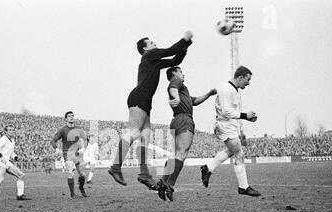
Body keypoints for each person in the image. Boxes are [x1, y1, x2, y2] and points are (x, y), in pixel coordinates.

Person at [108, 31, 193, 190]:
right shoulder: (150, 55)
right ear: (146, 48)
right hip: (139, 97)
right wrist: (185, 39)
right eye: (151, 42)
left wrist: (185, 47)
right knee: (133, 132)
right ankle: (115, 167)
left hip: (145, 100)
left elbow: (176, 59)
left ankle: (144, 173)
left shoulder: (153, 61)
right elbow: (172, 50)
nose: (154, 43)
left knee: (145, 136)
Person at [157, 66, 217, 201]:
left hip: (177, 120)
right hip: (184, 119)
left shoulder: (183, 90)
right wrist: (176, 97)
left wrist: (208, 94)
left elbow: (194, 101)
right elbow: (172, 88)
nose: (183, 74)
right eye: (181, 72)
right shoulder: (177, 82)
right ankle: (169, 185)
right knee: (182, 153)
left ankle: (163, 181)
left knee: (177, 154)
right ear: (174, 74)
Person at [201, 66, 261, 196]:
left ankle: (208, 168)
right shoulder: (226, 89)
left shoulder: (234, 90)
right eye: (247, 79)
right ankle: (243, 187)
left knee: (232, 151)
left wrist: (247, 118)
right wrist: (245, 115)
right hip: (224, 125)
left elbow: (231, 111)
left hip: (230, 125)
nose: (248, 83)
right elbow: (226, 111)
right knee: (239, 154)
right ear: (240, 77)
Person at [0, 125, 31, 203]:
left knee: (21, 175)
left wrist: (16, 157)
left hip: (7, 162)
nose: (12, 131)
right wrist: (1, 156)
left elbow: (11, 152)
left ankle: (20, 195)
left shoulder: (12, 141)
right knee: (1, 178)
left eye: (13, 130)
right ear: (5, 132)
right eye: (10, 130)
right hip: (1, 161)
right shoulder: (3, 139)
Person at [51, 111, 88, 198]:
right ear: (66, 119)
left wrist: (83, 148)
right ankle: (72, 193)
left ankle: (81, 188)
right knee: (71, 173)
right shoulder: (63, 130)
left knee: (82, 174)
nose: (71, 117)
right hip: (68, 154)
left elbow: (86, 139)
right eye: (69, 116)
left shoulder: (78, 129)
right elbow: (53, 141)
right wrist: (56, 149)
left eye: (72, 116)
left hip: (77, 154)